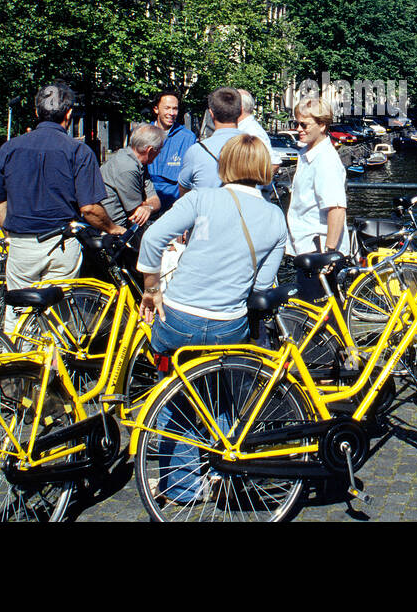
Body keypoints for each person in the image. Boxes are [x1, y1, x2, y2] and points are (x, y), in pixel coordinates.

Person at [136, 134, 286, 504]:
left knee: (175, 399)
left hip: (179, 317)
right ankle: (218, 469)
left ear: (227, 165)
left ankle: (181, 485)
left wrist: (152, 289)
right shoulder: (274, 216)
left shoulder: (203, 198)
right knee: (218, 397)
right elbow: (262, 284)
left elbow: (153, 238)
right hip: (227, 323)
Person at [0, 82, 124, 327]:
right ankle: (53, 362)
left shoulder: (9, 148)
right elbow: (90, 208)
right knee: (58, 317)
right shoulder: (78, 151)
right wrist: (113, 228)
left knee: (18, 314)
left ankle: (20, 361)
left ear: (37, 113)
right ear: (69, 114)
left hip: (22, 243)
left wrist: (10, 231)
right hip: (61, 243)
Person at [286, 96, 349, 256]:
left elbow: (337, 208)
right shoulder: (306, 153)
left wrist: (330, 252)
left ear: (322, 125)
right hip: (306, 245)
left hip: (318, 248)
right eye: (296, 124)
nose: (298, 129)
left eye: (304, 124)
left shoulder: (325, 160)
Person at [178, 87, 244, 194]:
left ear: (211, 113)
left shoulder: (197, 151)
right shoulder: (256, 147)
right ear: (241, 111)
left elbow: (183, 188)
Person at [100, 124, 165, 228]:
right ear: (150, 150)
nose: (160, 153)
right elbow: (137, 213)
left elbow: (155, 200)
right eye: (159, 149)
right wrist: (147, 206)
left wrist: (149, 207)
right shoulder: (127, 167)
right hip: (114, 231)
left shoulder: (140, 163)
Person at [145, 91, 196, 213]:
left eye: (175, 109)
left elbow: (190, 177)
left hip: (175, 207)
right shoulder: (143, 134)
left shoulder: (188, 137)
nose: (171, 113)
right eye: (167, 108)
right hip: (147, 205)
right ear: (156, 109)